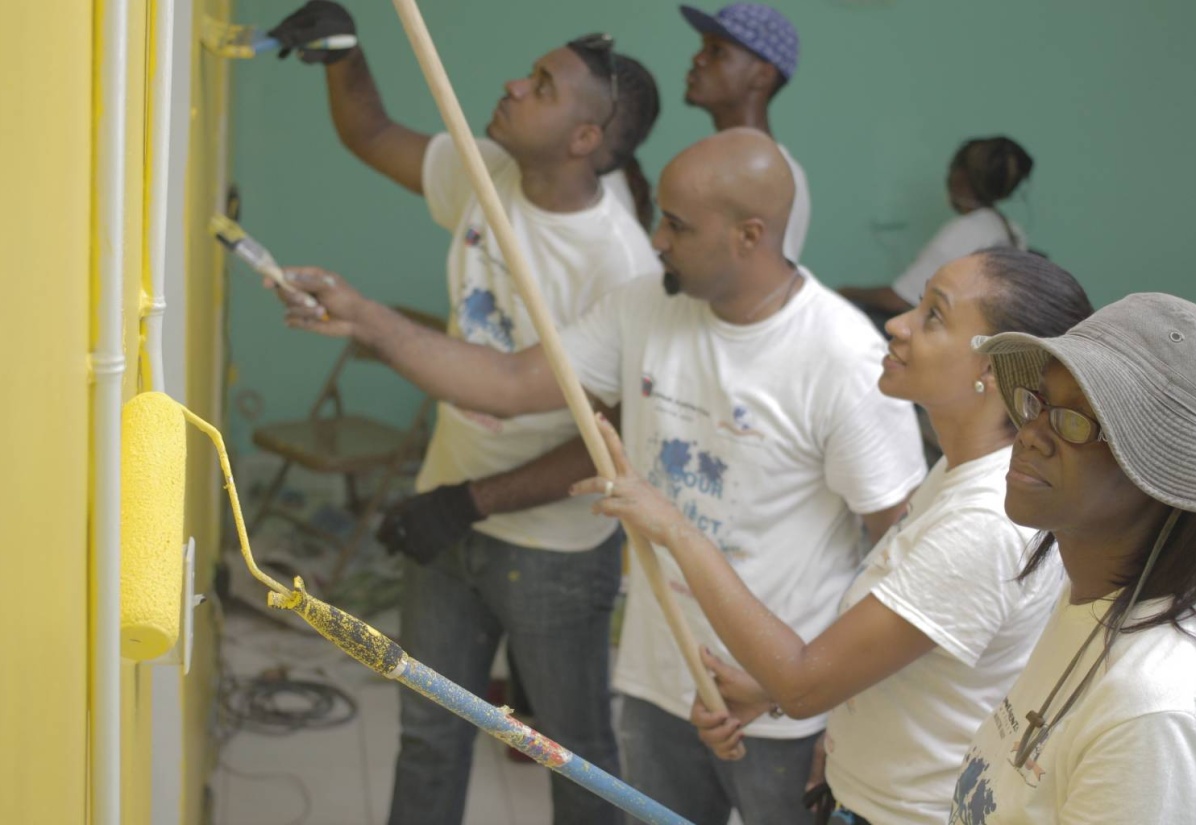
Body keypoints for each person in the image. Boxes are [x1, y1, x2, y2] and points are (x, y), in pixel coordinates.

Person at [272, 128, 927, 825]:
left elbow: (903, 557)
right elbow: (507, 380)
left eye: (676, 224)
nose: (655, 239)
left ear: (750, 234)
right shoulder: (646, 304)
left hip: (781, 707)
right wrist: (366, 319)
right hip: (659, 676)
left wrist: (823, 700)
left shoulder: (841, 357)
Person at [267, 5, 662, 824]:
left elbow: (592, 431)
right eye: (530, 70)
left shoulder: (618, 263)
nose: (516, 83)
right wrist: (344, 53)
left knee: (576, 755)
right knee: (428, 732)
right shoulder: (488, 173)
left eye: (544, 85)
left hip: (551, 551)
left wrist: (469, 500)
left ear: (585, 138)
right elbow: (370, 133)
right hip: (446, 513)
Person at [572, 247, 1094, 824]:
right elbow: (904, 654)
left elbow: (802, 685)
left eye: (933, 316)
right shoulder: (960, 474)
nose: (897, 325)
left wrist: (674, 528)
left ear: (993, 369)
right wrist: (771, 692)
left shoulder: (984, 520)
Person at [946, 293, 1196, 823]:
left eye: (1077, 422)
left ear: (1161, 479)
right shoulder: (1089, 591)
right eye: (1037, 403)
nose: (1031, 435)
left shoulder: (1149, 707)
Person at [839, 137, 1035, 328]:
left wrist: (846, 292)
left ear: (960, 177)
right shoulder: (1010, 230)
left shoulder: (965, 231)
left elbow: (899, 300)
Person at [681, 2, 811, 262]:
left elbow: (764, 290)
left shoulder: (777, 179)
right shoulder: (708, 161)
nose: (698, 58)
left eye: (716, 51)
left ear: (762, 75)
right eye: (702, 47)